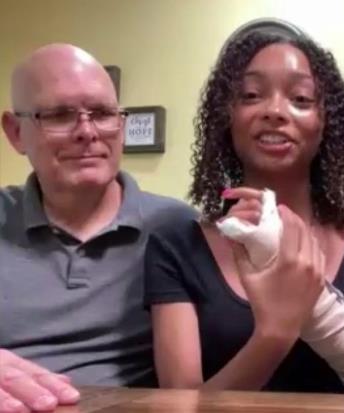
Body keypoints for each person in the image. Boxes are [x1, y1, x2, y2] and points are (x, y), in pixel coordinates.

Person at [144, 20, 344, 395]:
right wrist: (274, 334)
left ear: (325, 122)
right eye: (251, 95)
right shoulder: (176, 245)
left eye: (301, 99)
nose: (275, 111)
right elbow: (179, 405)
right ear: (226, 117)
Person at [0, 43, 197, 413]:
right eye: (59, 115)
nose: (87, 132)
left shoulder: (178, 228)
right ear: (15, 133)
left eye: (103, 113)